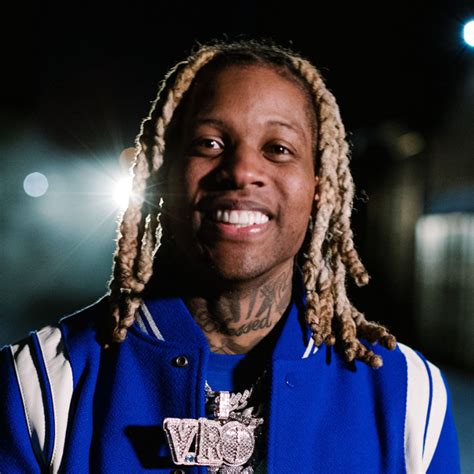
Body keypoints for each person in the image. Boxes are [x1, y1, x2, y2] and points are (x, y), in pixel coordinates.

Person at [0, 39, 460, 473]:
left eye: (278, 149)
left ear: (320, 189)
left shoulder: (409, 397)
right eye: (209, 144)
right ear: (164, 172)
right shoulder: (40, 385)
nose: (241, 171)